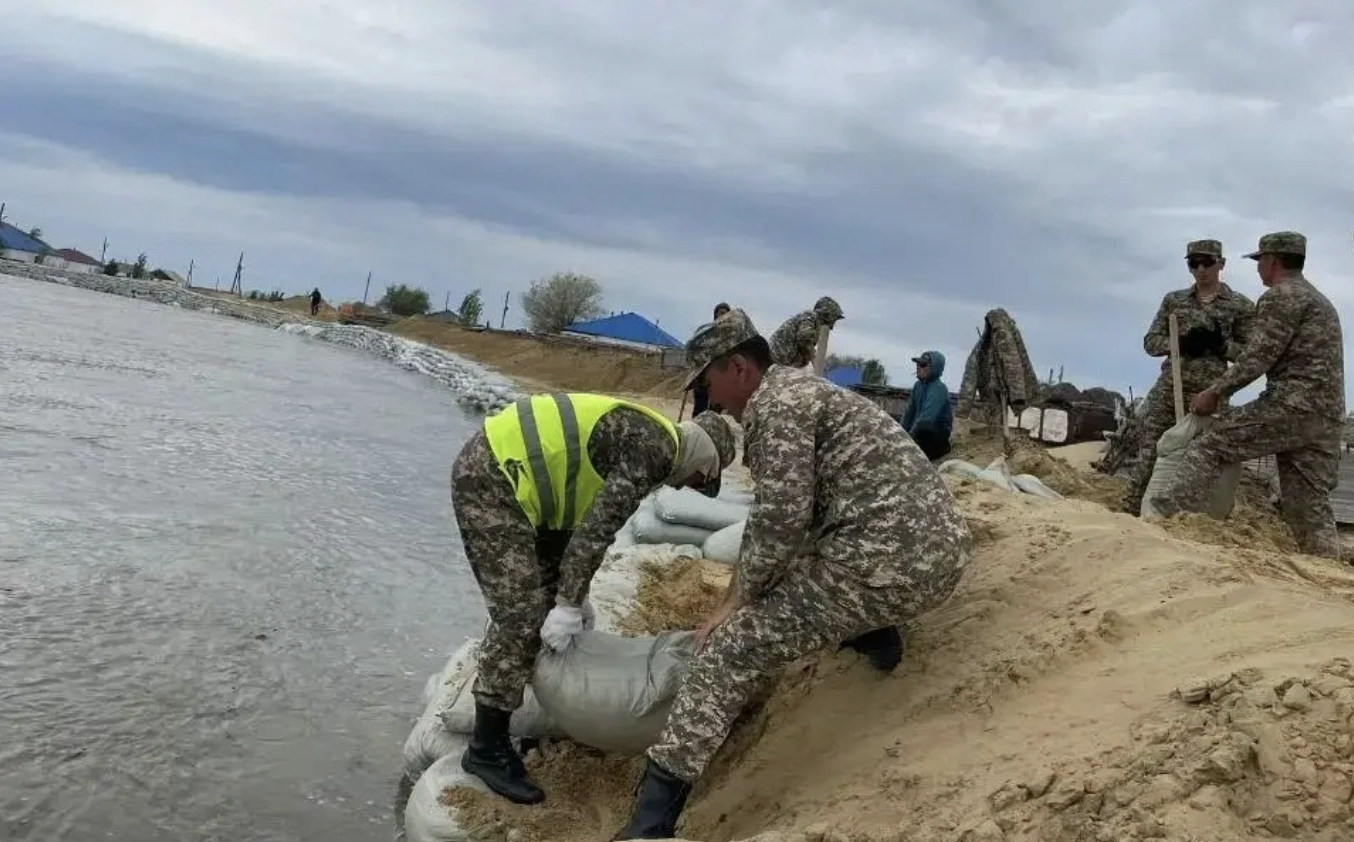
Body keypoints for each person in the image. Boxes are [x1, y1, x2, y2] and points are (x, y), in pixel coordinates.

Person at [611, 309, 972, 840]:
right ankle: (876, 638)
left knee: (730, 648)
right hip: (925, 548)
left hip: (891, 564)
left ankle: (648, 826)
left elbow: (780, 520)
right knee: (787, 580)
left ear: (737, 368)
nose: (708, 397)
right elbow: (787, 523)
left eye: (706, 381)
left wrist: (733, 605)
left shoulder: (778, 408)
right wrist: (751, 585)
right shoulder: (797, 393)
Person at [451, 394, 737, 804]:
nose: (681, 486)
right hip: (493, 480)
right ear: (704, 464)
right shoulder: (656, 448)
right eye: (695, 482)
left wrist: (571, 594)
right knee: (520, 617)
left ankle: (525, 710)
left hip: (537, 496)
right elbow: (597, 532)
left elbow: (582, 520)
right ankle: (485, 747)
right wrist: (568, 605)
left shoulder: (650, 436)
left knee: (547, 600)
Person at [1149, 232, 1344, 559]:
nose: (1258, 269)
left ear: (1274, 261)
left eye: (1259, 261)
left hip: (1290, 406)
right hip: (1326, 417)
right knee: (1309, 506)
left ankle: (1168, 525)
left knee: (1210, 444)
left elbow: (1258, 356)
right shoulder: (1319, 301)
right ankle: (1327, 574)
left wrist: (1215, 391)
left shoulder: (1281, 296)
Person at [1121, 240, 1255, 514]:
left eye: (1207, 262)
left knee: (1204, 453)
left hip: (1212, 391)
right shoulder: (1175, 301)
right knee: (1151, 447)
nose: (1201, 269)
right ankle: (1132, 509)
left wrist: (1221, 346)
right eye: (1193, 263)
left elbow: (1252, 353)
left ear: (1221, 264)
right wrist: (1179, 343)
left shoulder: (1240, 306)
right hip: (1171, 386)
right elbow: (1150, 342)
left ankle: (1193, 516)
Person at [901, 350, 953, 461]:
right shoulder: (917, 386)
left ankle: (939, 451)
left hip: (935, 434)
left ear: (934, 368)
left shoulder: (939, 389)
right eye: (918, 364)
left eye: (923, 365)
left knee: (924, 428)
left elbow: (927, 418)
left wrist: (907, 440)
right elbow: (909, 413)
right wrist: (899, 434)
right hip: (919, 430)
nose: (918, 367)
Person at [768, 296, 845, 369]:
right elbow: (804, 337)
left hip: (783, 360)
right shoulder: (811, 316)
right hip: (779, 358)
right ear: (827, 315)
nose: (832, 325)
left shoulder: (814, 322)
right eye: (833, 319)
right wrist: (814, 360)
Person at [691, 302, 732, 416]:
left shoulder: (731, 335)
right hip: (703, 376)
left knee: (715, 411)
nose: (724, 316)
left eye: (727, 313)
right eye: (721, 313)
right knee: (700, 409)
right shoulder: (707, 332)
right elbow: (696, 349)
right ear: (716, 315)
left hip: (719, 378)